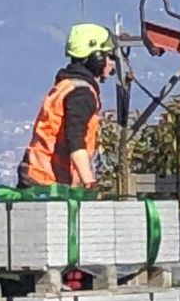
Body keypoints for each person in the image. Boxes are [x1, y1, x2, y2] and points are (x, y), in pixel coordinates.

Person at [20, 23, 115, 189]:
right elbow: (75, 140)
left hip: (37, 174)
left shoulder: (66, 86)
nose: (112, 62)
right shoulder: (82, 94)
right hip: (47, 182)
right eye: (109, 56)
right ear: (97, 58)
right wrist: (89, 182)